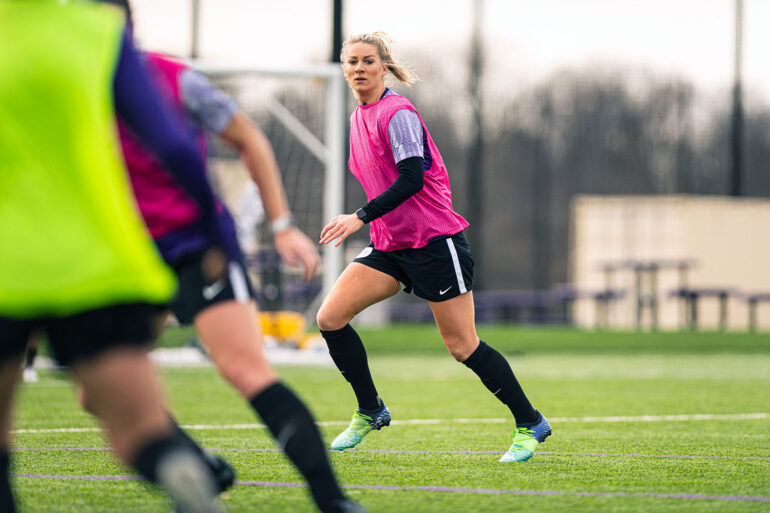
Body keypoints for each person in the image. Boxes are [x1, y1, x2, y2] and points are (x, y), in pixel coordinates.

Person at [75, 2, 366, 511]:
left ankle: (332, 500)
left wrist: (280, 226)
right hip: (127, 258)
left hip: (197, 246)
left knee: (246, 369)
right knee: (97, 395)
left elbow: (248, 137)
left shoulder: (174, 80)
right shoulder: (69, 91)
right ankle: (196, 467)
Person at [0, 1, 234, 512]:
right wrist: (219, 228)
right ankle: (175, 465)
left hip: (6, 266)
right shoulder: (97, 33)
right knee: (140, 432)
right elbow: (173, 145)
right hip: (97, 263)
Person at [317, 32, 552, 463]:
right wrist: (372, 223)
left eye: (368, 61)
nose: (359, 68)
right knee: (330, 318)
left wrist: (359, 217)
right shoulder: (357, 117)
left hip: (433, 243)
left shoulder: (397, 113)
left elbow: (411, 179)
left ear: (383, 67)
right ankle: (371, 410)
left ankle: (530, 422)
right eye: (351, 62)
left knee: (463, 346)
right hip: (391, 244)